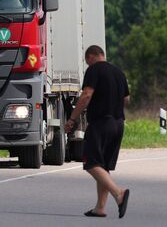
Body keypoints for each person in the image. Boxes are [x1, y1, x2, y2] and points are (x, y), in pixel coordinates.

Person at [64, 45, 130, 218]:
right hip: (118, 124)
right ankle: (100, 207)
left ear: (91, 56)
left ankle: (118, 193)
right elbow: (126, 98)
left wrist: (72, 119)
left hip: (101, 123)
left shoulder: (94, 70)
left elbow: (86, 95)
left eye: (87, 61)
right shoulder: (119, 72)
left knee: (91, 163)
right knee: (103, 165)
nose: (88, 64)